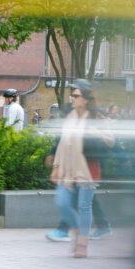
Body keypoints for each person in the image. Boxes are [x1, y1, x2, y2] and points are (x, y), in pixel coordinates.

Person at [46, 82, 115, 258]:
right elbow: (62, 142)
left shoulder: (97, 118)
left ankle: (82, 243)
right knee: (61, 201)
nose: (73, 99)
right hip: (69, 167)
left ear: (85, 99)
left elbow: (110, 141)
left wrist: (95, 133)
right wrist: (55, 167)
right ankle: (77, 231)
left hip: (89, 167)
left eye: (76, 96)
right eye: (72, 96)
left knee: (85, 205)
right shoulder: (70, 117)